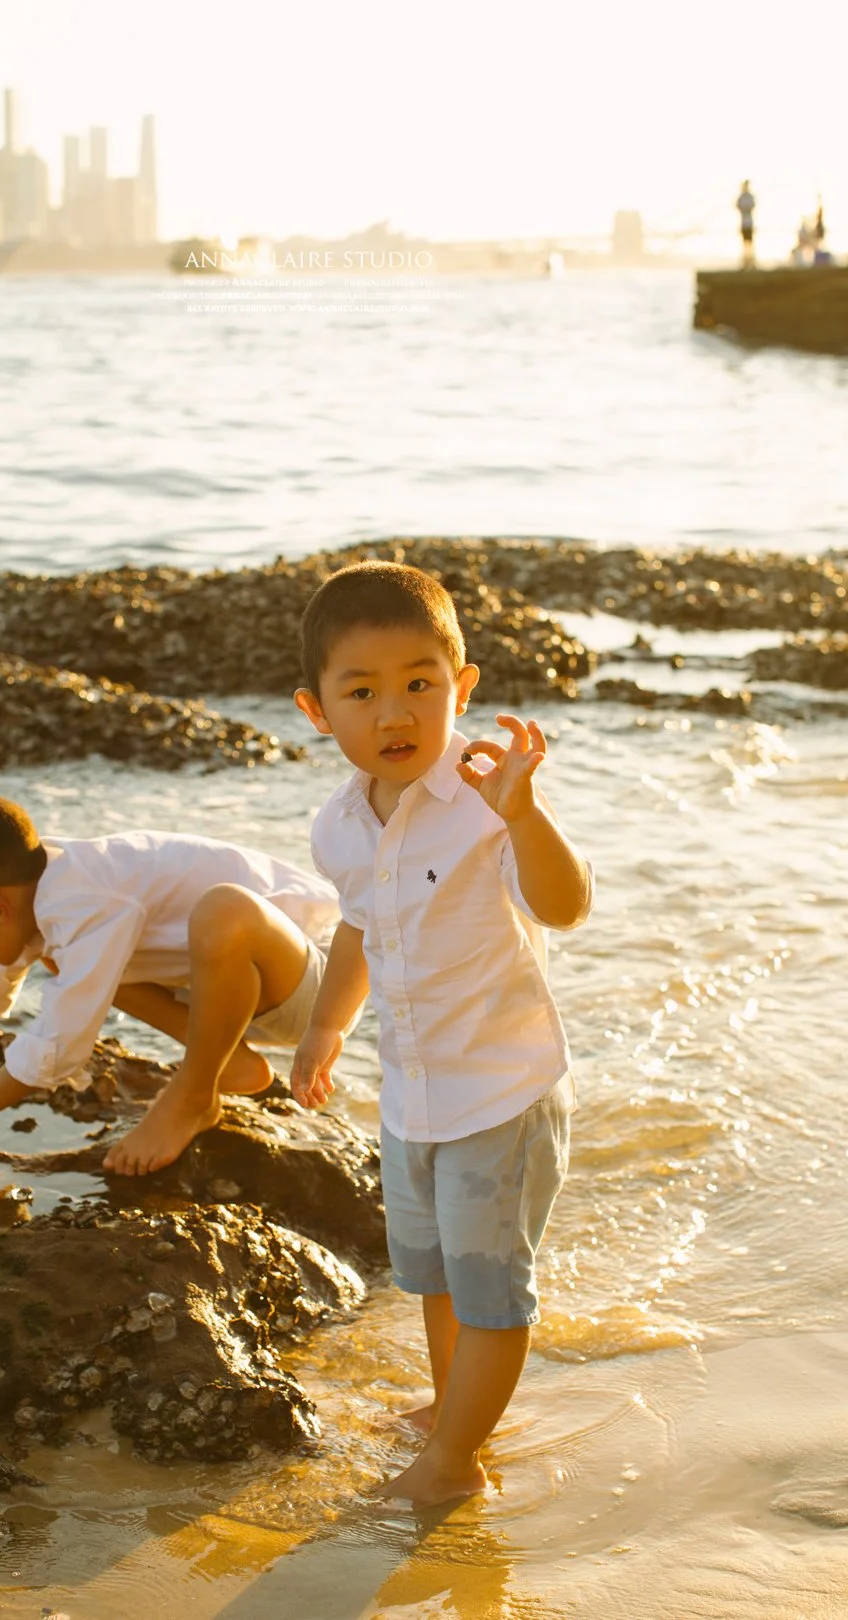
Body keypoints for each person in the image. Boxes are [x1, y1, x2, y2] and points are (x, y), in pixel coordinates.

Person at [289, 562, 593, 1506]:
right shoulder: (338, 826)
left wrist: (526, 815)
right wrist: (326, 1029)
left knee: (492, 1290)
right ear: (316, 711)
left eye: (421, 684)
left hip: (499, 1093)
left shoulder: (486, 801)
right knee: (435, 1278)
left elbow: (567, 906)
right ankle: (448, 1408)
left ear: (461, 689)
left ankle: (455, 1460)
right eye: (363, 691)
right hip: (413, 1096)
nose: (396, 714)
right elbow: (358, 927)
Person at [0, 790, 339, 1174]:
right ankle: (231, 1063)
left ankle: (194, 1096)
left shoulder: (85, 899)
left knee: (224, 909)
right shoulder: (34, 897)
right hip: (240, 991)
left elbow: (57, 1048)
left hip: (316, 981)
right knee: (72, 966)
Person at [737, 180, 756, 266]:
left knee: (750, 243)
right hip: (744, 224)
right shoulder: (741, 197)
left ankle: (751, 261)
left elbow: (752, 206)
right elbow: (738, 206)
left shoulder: (750, 196)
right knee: (744, 243)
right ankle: (745, 261)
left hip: (749, 223)